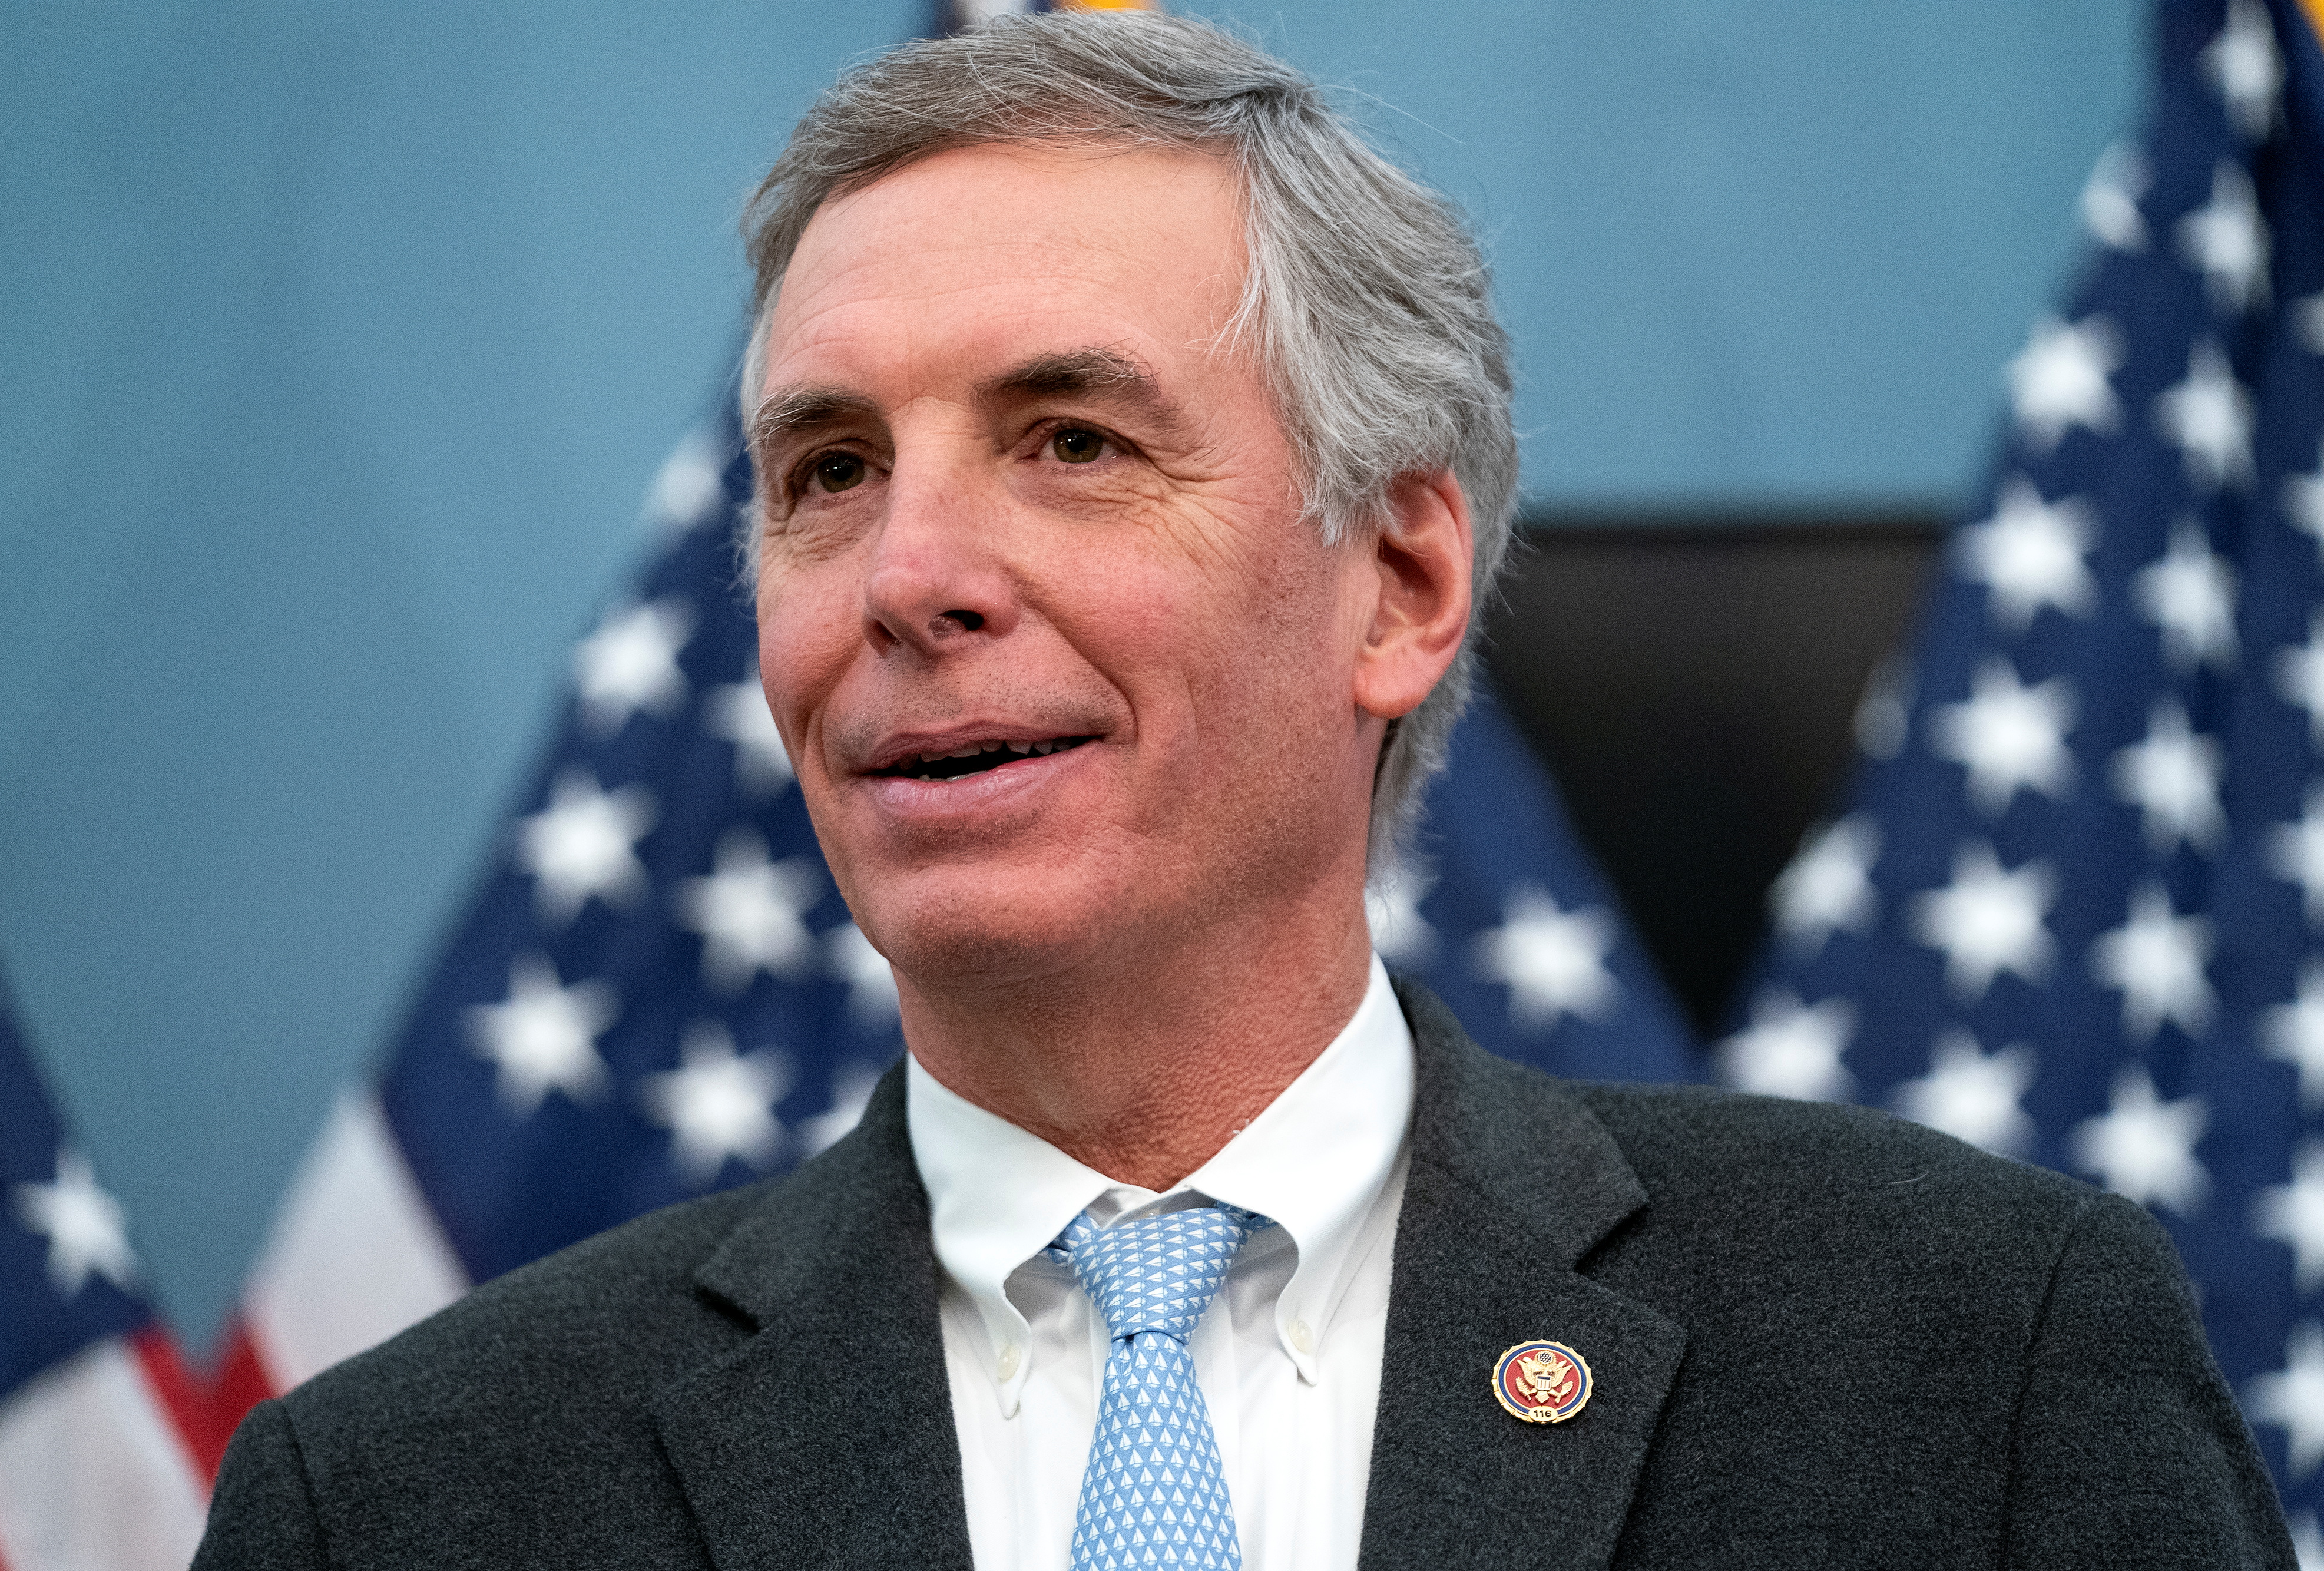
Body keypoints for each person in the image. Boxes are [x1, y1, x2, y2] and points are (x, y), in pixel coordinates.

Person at [195, 14, 2293, 1569]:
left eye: (1072, 441)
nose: (911, 576)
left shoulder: (1968, 1366)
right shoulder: (399, 1505)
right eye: (830, 472)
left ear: (1397, 583)